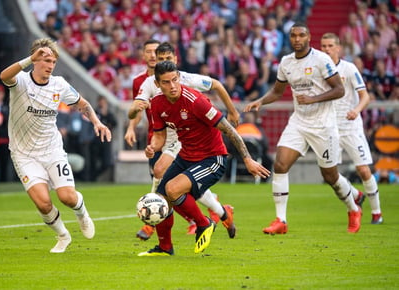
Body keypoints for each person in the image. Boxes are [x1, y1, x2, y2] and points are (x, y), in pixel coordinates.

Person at [139, 61, 270, 256]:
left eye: (175, 80)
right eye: (166, 82)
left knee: (173, 189)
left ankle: (204, 223)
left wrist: (248, 159)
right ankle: (165, 248)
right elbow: (160, 136)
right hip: (186, 156)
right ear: (157, 84)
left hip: (212, 159)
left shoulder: (195, 101)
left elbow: (229, 129)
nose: (173, 85)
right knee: (161, 198)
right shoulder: (157, 104)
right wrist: (152, 147)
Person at [244, 23, 363, 234]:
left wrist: (312, 99)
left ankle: (354, 209)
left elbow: (339, 90)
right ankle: (281, 221)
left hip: (323, 125)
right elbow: (277, 91)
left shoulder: (321, 60)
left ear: (308, 37)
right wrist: (261, 101)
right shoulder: (286, 62)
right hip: (299, 122)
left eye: (301, 35)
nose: (297, 39)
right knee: (280, 165)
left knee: (330, 176)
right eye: (293, 36)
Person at [0, 38, 112, 253]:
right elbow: (4, 76)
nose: (50, 65)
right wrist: (29, 59)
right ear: (34, 60)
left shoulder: (59, 84)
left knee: (67, 197)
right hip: (23, 154)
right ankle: (63, 235)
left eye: (53, 61)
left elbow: (83, 104)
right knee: (43, 204)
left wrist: (97, 122)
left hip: (52, 150)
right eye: (45, 60)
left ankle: (82, 214)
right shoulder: (21, 81)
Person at [127, 42, 241, 240]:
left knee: (164, 175)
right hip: (163, 135)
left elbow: (217, 85)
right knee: (181, 185)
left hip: (184, 137)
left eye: (167, 59)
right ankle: (222, 212)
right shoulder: (145, 83)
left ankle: (156, 223)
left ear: (176, 61)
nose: (162, 62)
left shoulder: (187, 80)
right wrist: (133, 120)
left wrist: (232, 110)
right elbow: (133, 110)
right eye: (159, 58)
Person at [320, 33, 383, 224]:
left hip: (350, 126)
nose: (327, 49)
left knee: (363, 170)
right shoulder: (319, 70)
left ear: (338, 48)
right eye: (323, 46)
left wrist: (356, 110)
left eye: (330, 45)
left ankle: (376, 213)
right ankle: (356, 194)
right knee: (330, 174)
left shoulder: (349, 68)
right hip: (331, 127)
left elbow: (365, 96)